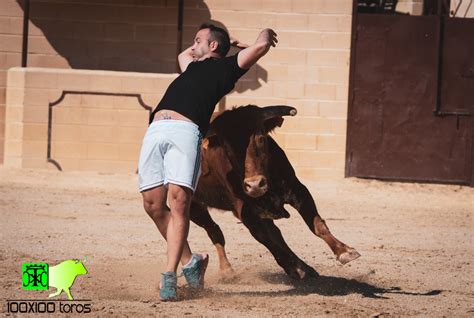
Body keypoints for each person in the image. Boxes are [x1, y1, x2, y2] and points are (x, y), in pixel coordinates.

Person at [138, 23, 277, 301]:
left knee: (178, 202)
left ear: (213, 46)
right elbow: (183, 55)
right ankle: (191, 261)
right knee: (153, 205)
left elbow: (261, 46)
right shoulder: (191, 67)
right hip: (156, 130)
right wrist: (212, 41)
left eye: (198, 39)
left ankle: (169, 276)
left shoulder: (227, 68)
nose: (193, 44)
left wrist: (250, 38)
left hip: (185, 132)